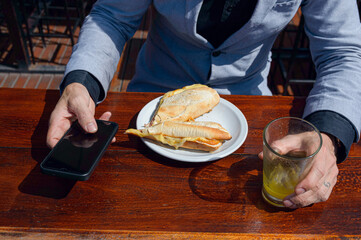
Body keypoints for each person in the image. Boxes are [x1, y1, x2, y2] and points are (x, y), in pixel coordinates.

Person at [47, 0, 361, 208]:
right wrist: (81, 82)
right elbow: (112, 16)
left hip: (250, 117)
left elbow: (343, 51)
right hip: (151, 105)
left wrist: (329, 134)